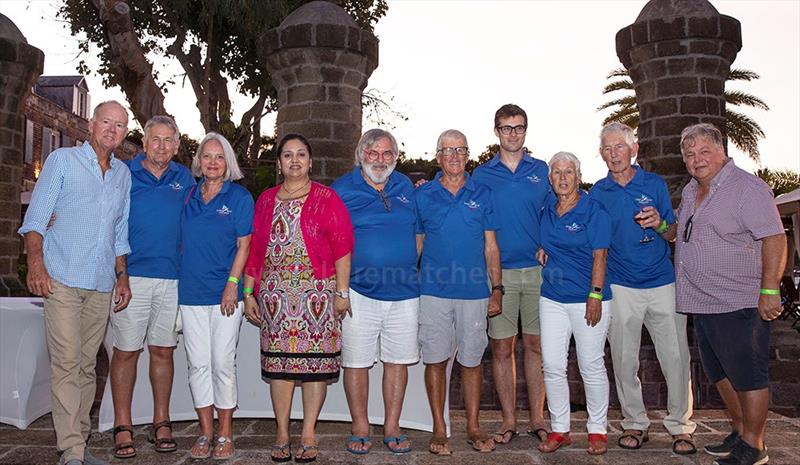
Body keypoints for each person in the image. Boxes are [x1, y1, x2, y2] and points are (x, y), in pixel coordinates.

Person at [19, 100, 132, 465]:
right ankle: (71, 449)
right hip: (62, 278)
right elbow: (35, 220)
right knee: (67, 362)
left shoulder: (122, 176)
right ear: (90, 124)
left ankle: (78, 443)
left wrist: (122, 276)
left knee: (87, 365)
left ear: (124, 134)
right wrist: (35, 264)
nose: (111, 130)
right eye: (106, 122)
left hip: (100, 283)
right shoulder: (62, 161)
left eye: (119, 125)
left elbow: (119, 234)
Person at [671, 123, 785, 465]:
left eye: (704, 151)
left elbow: (775, 238)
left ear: (722, 151)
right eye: (689, 154)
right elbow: (683, 232)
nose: (696, 159)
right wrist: (662, 228)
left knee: (748, 375)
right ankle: (739, 432)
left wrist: (770, 289)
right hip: (701, 302)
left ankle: (755, 445)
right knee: (719, 372)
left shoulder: (747, 189)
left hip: (739, 301)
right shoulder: (692, 190)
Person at [243, 134, 353, 463]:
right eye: (287, 155)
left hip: (317, 294)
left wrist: (342, 292)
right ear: (278, 163)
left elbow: (343, 247)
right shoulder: (264, 200)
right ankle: (281, 432)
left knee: (314, 368)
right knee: (281, 368)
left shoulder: (326, 198)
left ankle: (307, 433)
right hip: (275, 296)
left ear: (310, 161)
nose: (294, 160)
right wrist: (249, 291)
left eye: (301, 154)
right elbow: (256, 250)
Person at [588, 122, 696, 454]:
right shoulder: (597, 192)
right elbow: (591, 241)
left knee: (675, 357)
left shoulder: (654, 184)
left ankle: (680, 426)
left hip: (663, 282)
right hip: (620, 286)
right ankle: (635, 423)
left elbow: (673, 231)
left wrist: (660, 223)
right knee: (623, 360)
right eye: (606, 148)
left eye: (619, 146)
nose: (612, 154)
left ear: (633, 149)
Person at [108, 115, 195, 459]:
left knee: (163, 351)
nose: (160, 146)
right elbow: (111, 223)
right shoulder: (124, 174)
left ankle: (162, 421)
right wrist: (120, 273)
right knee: (126, 352)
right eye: (154, 139)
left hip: (172, 279)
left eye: (167, 140)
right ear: (143, 143)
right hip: (132, 278)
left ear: (176, 146)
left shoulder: (185, 178)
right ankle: (123, 424)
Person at [331, 129, 419, 455]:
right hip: (357, 291)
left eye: (386, 154)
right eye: (372, 153)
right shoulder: (341, 190)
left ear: (395, 158)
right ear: (361, 155)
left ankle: (392, 427)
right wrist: (340, 290)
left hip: (405, 291)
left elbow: (420, 232)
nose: (379, 160)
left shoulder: (406, 187)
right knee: (356, 362)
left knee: (397, 362)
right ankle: (360, 427)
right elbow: (332, 242)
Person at [415, 129, 501, 455]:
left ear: (468, 155)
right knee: (435, 360)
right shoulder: (423, 196)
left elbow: (491, 247)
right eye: (447, 150)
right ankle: (439, 428)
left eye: (460, 150)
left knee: (472, 361)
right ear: (438, 157)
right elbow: (417, 244)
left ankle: (474, 427)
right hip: (433, 291)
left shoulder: (483, 193)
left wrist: (497, 289)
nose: (454, 156)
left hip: (475, 292)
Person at [471, 104, 550, 444]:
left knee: (535, 346)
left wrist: (550, 243)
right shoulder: (482, 175)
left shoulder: (543, 170)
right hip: (497, 275)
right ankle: (508, 421)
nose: (513, 133)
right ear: (496, 132)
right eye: (506, 128)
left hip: (537, 272)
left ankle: (538, 418)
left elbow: (556, 210)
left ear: (526, 130)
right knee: (502, 349)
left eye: (518, 127)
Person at [178, 132, 253, 460]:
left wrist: (233, 283)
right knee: (197, 364)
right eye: (206, 156)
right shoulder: (188, 196)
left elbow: (245, 245)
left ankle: (225, 432)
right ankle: (205, 432)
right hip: (190, 293)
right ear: (198, 161)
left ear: (228, 163)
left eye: (219, 157)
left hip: (225, 294)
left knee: (222, 362)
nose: (212, 162)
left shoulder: (239, 198)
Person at [537, 151, 612, 455]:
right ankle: (560, 429)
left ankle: (597, 430)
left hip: (588, 298)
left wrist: (594, 295)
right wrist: (541, 248)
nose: (563, 178)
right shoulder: (547, 209)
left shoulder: (594, 210)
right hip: (552, 297)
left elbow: (600, 255)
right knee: (553, 365)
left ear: (579, 177)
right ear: (550, 178)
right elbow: (546, 240)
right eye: (557, 173)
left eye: (569, 172)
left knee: (590, 364)